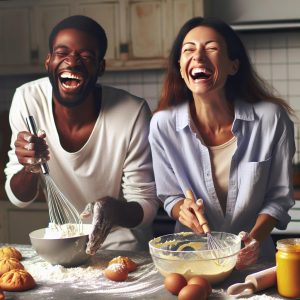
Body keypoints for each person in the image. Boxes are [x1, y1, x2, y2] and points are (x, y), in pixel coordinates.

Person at [149, 16, 295, 269]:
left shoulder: (271, 119)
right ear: (181, 68)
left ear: (233, 66)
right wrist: (182, 208)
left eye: (212, 48)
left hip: (255, 263)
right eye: (189, 50)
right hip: (192, 262)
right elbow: (170, 196)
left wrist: (252, 242)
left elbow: (278, 199)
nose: (198, 56)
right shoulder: (162, 125)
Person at [5, 15, 159, 254]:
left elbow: (147, 205)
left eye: (85, 56)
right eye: (61, 52)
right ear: (48, 61)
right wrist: (28, 168)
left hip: (123, 250)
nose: (72, 62)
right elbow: (19, 199)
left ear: (101, 67)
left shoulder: (132, 112)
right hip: (63, 243)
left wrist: (112, 209)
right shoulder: (28, 99)